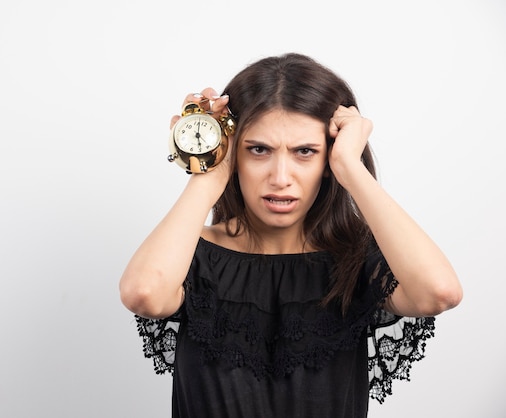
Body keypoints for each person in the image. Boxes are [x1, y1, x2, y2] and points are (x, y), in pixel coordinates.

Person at [119, 52, 463, 418]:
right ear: (235, 153)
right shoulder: (191, 255)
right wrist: (209, 170)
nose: (280, 177)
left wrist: (351, 166)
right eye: (258, 150)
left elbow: (438, 293)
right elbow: (144, 294)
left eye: (304, 152)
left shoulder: (355, 261)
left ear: (327, 159)